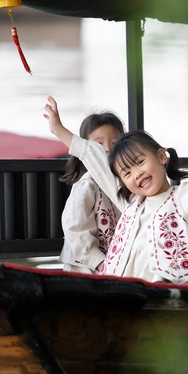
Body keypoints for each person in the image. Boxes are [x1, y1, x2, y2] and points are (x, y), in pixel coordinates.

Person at [43, 95, 188, 283]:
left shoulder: (183, 200)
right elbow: (93, 155)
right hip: (118, 292)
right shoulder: (129, 202)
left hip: (163, 295)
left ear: (161, 156)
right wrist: (58, 129)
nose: (136, 174)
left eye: (140, 162)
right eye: (126, 173)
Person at [58, 112, 124, 275]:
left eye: (115, 144)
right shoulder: (86, 186)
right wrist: (101, 263)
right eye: (99, 145)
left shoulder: (127, 183)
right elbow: (76, 230)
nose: (108, 149)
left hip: (115, 267)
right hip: (85, 268)